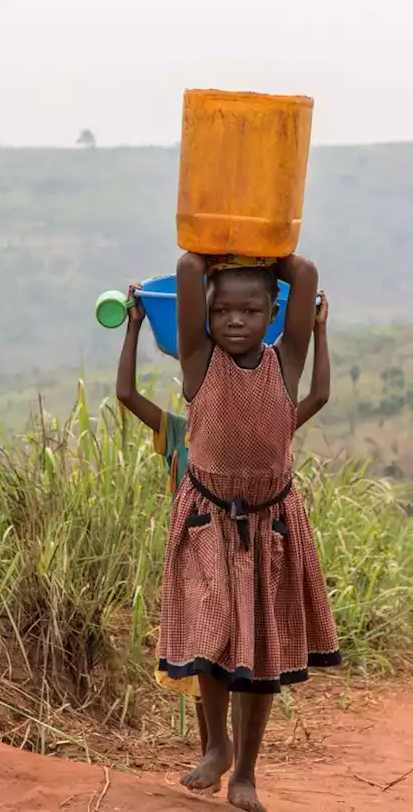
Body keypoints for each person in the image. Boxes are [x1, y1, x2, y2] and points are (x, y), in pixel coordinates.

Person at [114, 283, 331, 789]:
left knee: (251, 658)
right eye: (223, 311)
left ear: (270, 314)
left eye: (250, 311)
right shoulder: (176, 431)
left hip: (260, 532)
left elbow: (315, 395)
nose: (235, 320)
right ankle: (216, 749)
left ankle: (238, 768)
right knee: (208, 649)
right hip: (204, 538)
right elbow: (126, 394)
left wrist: (318, 330)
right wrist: (133, 325)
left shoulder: (271, 407)